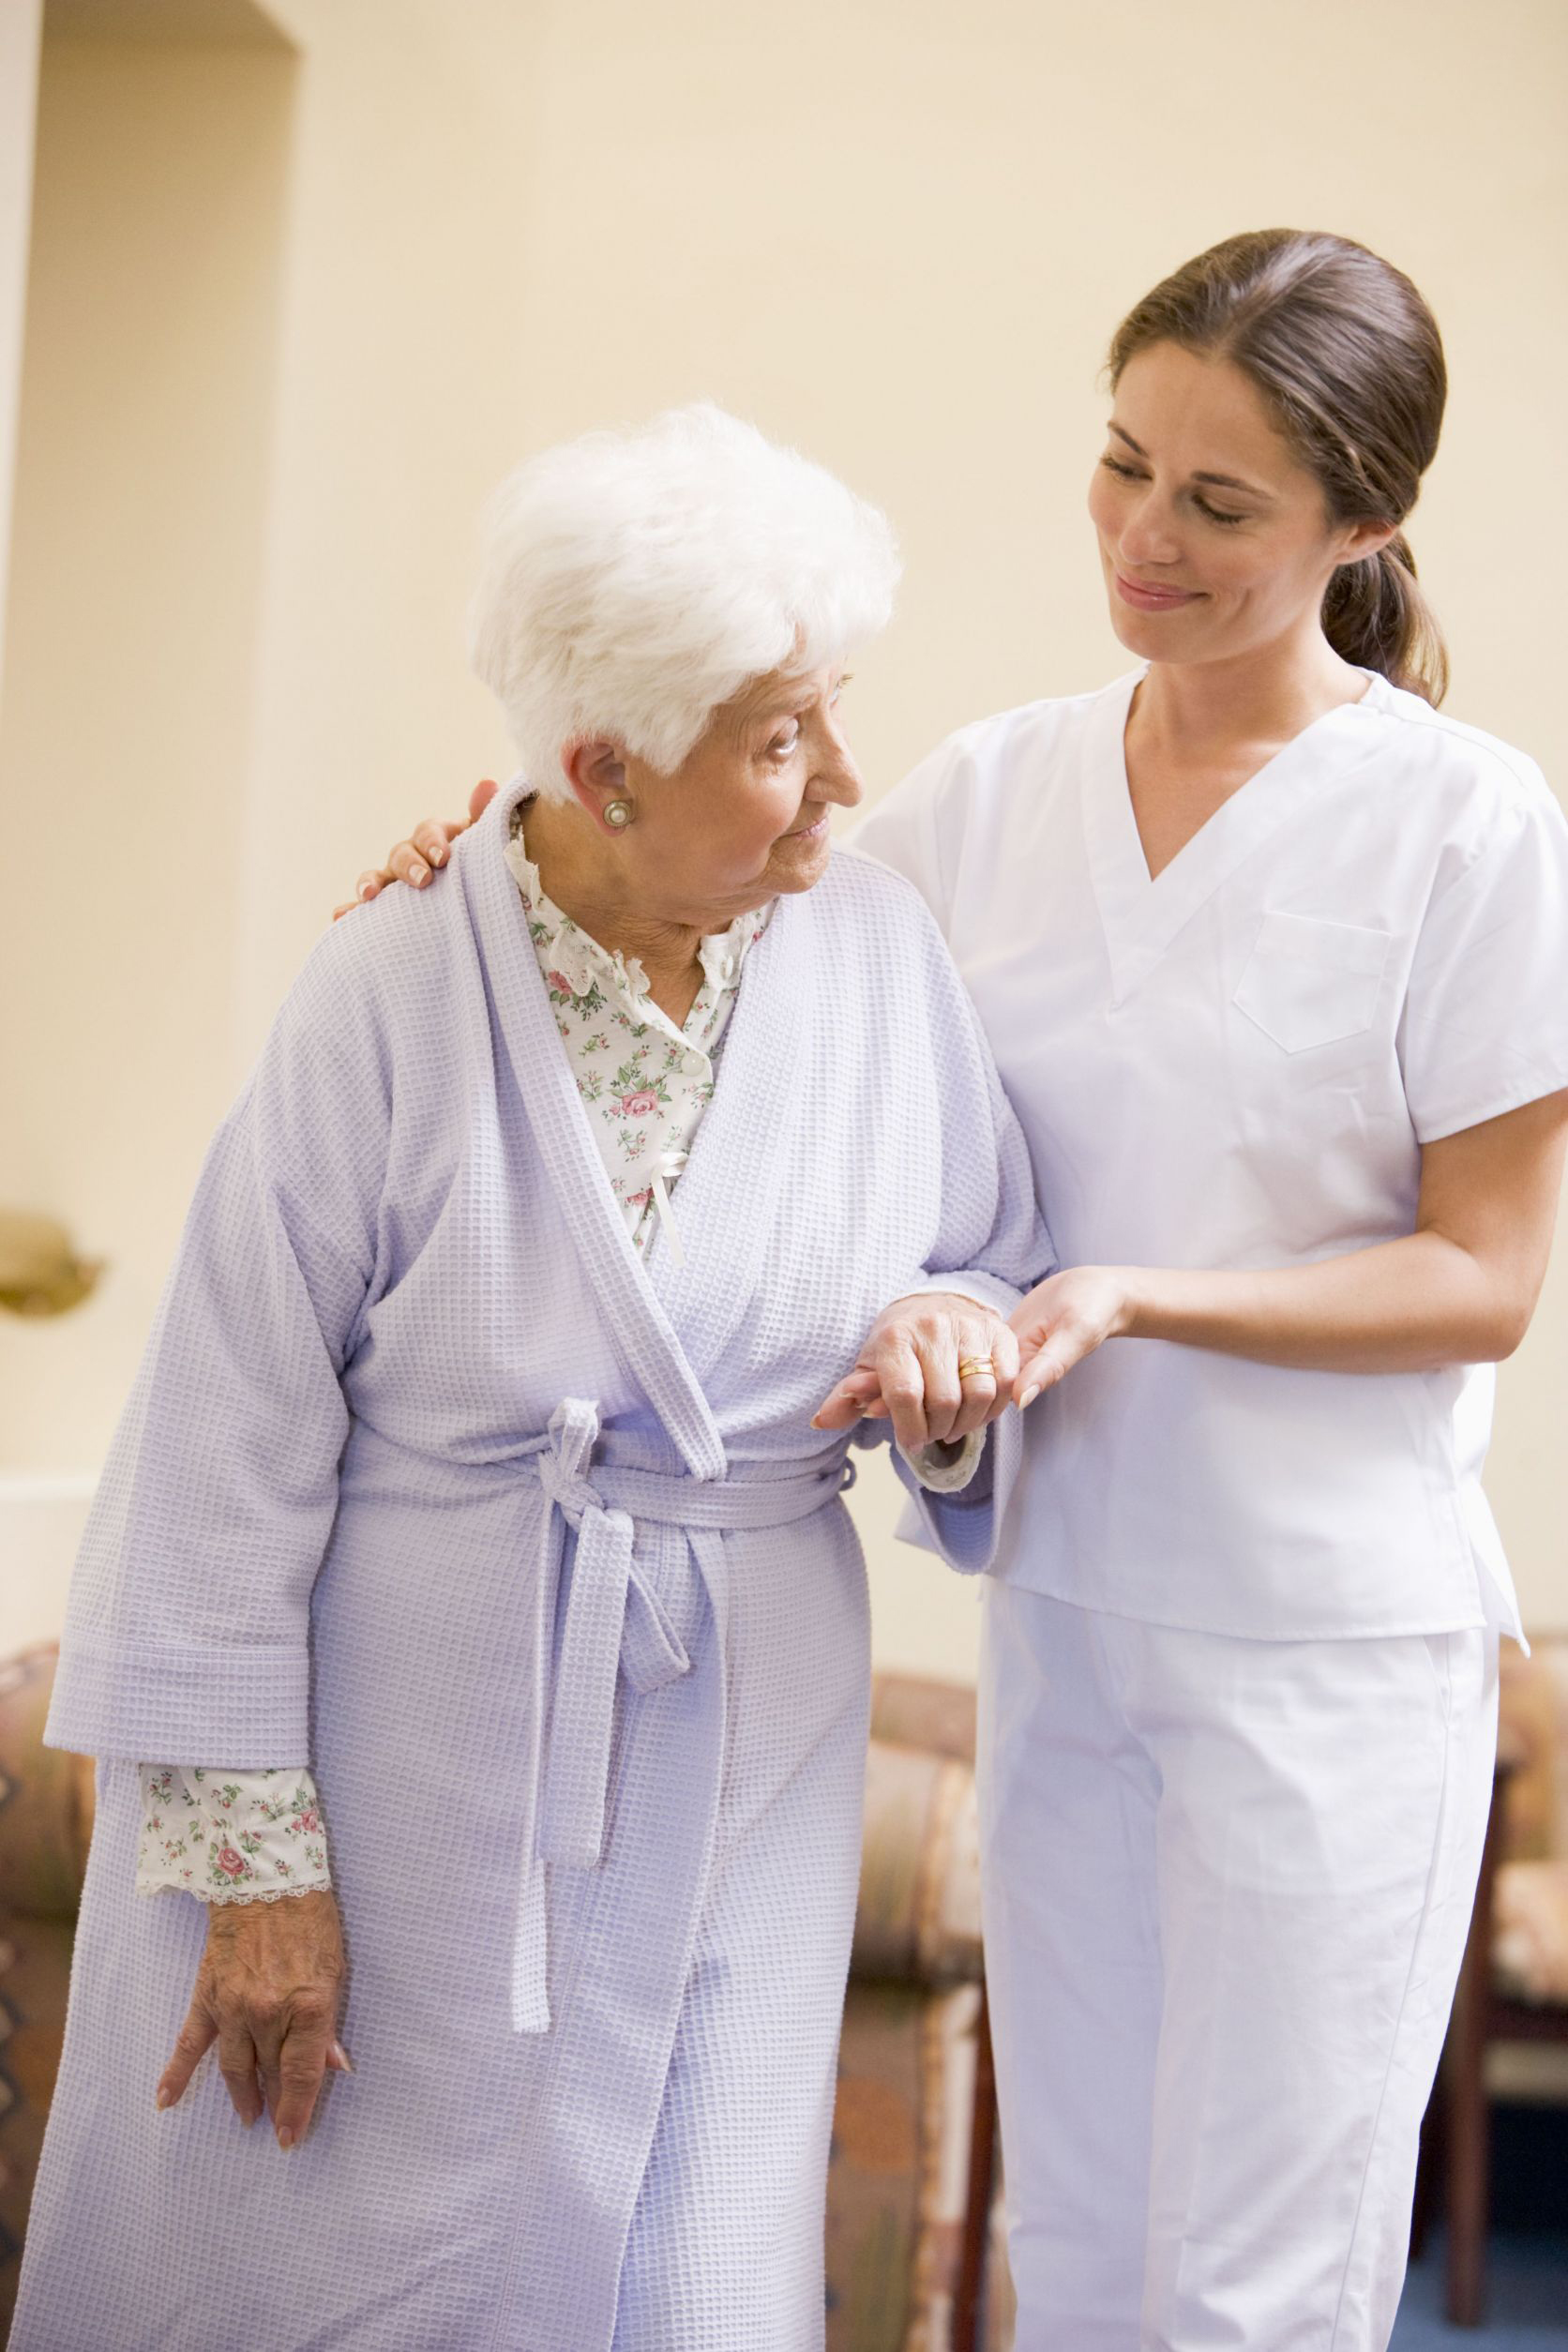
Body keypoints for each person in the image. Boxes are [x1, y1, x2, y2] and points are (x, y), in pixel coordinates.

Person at [359, 234, 1568, 2350]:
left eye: (1218, 503)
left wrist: (1128, 1295)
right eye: (1119, 468)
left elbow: (1479, 1281)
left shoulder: (1464, 828)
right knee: (1073, 2251)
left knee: (1256, 2284)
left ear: (1362, 524)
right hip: (1071, 1612)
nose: (1141, 538)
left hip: (1331, 1647)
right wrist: (487, 872)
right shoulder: (988, 796)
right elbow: (717, 919)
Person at [12, 405, 1049, 2352]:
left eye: (832, 709)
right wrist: (257, 1884)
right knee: (309, 2256)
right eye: (774, 740)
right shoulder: (389, 994)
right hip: (397, 1765)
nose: (842, 776)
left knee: (679, 2273)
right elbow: (223, 1451)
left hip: (743, 1740)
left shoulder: (876, 953)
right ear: (601, 770)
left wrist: (947, 1333)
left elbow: (983, 1248)